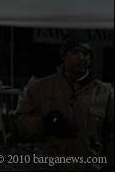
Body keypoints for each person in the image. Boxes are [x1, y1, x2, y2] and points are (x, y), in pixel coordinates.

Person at [14, 34, 114, 170]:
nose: (81, 58)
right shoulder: (40, 88)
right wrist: (43, 123)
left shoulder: (105, 92)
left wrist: (110, 165)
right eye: (75, 52)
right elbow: (20, 123)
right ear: (63, 56)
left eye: (86, 53)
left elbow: (112, 133)